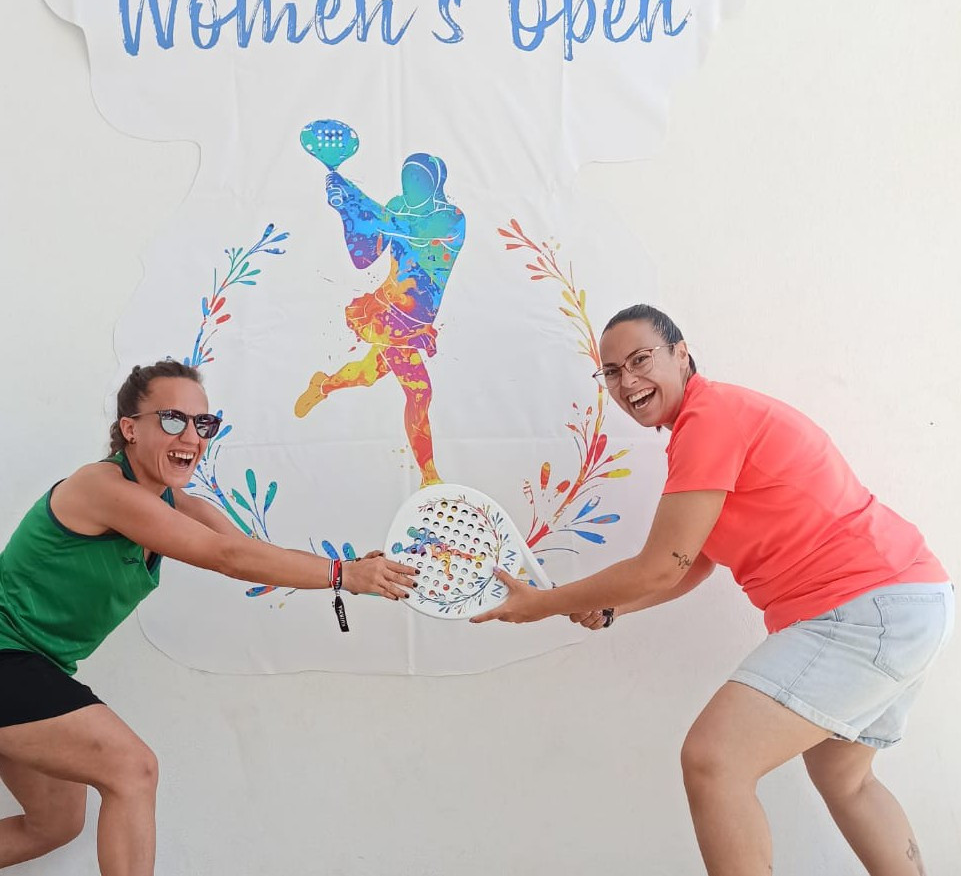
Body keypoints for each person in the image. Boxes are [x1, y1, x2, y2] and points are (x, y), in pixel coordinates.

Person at [473, 304, 952, 876]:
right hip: (909, 599)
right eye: (612, 371)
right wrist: (611, 605)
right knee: (845, 779)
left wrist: (542, 604)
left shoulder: (709, 418)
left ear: (681, 354)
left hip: (864, 606)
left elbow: (661, 565)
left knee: (714, 761)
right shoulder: (708, 425)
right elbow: (692, 564)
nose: (627, 381)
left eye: (641, 360)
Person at [0, 360, 415, 875]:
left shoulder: (175, 503)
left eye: (203, 423)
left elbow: (248, 553)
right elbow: (227, 558)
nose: (191, 437)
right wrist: (342, 575)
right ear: (129, 428)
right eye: (172, 419)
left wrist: (353, 569)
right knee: (133, 769)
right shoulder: (101, 488)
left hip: (34, 668)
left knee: (54, 824)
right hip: (7, 659)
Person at [294, 149, 466, 487]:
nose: (410, 186)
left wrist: (354, 198)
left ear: (436, 184)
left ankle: (323, 384)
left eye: (419, 180)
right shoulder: (397, 206)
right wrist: (346, 211)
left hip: (417, 322)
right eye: (407, 179)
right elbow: (363, 255)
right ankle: (429, 475)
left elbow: (409, 229)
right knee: (420, 392)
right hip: (388, 315)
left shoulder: (450, 218)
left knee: (369, 373)